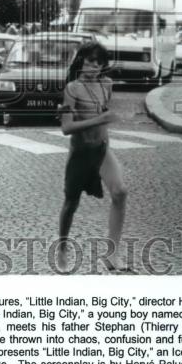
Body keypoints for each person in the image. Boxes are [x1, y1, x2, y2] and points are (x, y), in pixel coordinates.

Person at [57, 41, 128, 273]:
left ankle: (112, 254)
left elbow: (104, 111)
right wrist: (99, 120)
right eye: (89, 61)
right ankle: (62, 248)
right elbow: (66, 128)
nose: (93, 66)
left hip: (101, 149)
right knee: (71, 204)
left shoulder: (107, 85)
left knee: (120, 192)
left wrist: (108, 119)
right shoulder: (72, 89)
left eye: (99, 62)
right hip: (80, 154)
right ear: (81, 62)